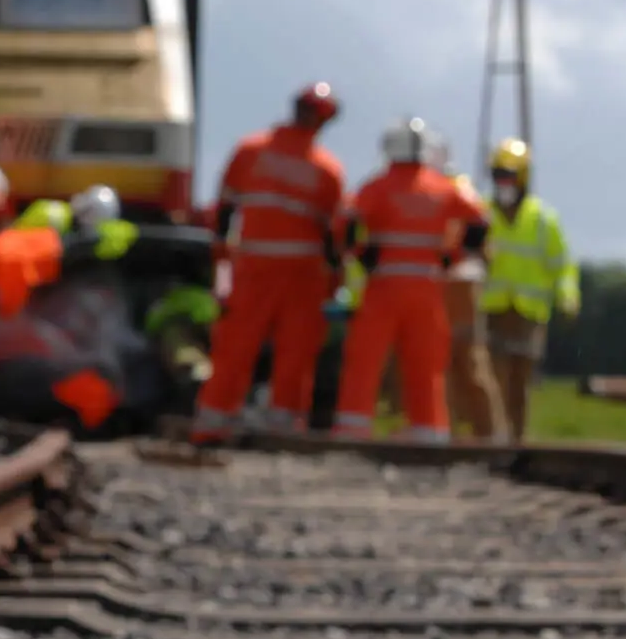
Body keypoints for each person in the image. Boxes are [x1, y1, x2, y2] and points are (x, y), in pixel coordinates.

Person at [190, 82, 348, 443]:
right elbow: (334, 236)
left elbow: (225, 211)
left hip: (264, 268)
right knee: (286, 351)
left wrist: (222, 259)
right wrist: (336, 280)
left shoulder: (253, 151)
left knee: (242, 346)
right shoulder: (325, 169)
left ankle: (217, 422)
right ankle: (279, 428)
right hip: (293, 273)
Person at [331, 117, 489, 443]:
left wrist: (360, 254)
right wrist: (452, 257)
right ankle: (429, 429)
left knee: (366, 359)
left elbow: (347, 220)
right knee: (426, 362)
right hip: (428, 288)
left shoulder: (378, 185)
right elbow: (479, 221)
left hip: (384, 287)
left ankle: (353, 426)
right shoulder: (443, 187)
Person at [480, 138, 580, 441]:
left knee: (519, 385)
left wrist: (568, 297)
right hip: (489, 310)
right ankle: (494, 438)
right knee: (492, 379)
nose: (502, 182)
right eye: (498, 175)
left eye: (508, 175)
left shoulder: (543, 220)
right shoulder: (480, 213)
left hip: (528, 314)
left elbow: (562, 265)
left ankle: (516, 441)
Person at [423, 132, 506, 441]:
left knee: (467, 360)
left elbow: (475, 230)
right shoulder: (443, 188)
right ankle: (452, 432)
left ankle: (488, 433)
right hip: (448, 281)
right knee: (446, 362)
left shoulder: (453, 188)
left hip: (458, 283)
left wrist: (447, 261)